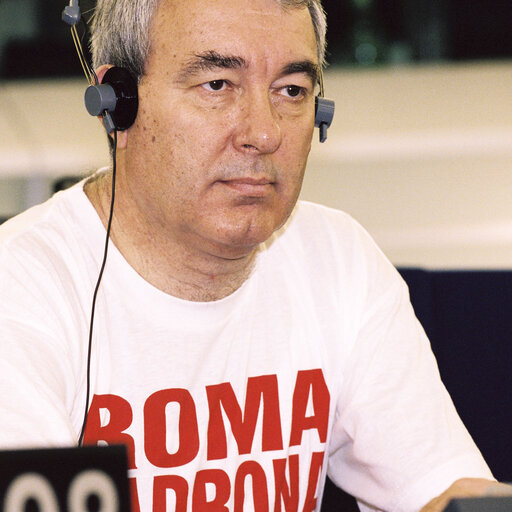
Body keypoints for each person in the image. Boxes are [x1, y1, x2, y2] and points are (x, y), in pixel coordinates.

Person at [0, 0, 508, 510]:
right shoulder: (22, 286)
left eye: (291, 91)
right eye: (218, 86)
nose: (264, 134)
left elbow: (442, 491)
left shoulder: (337, 257)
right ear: (119, 102)